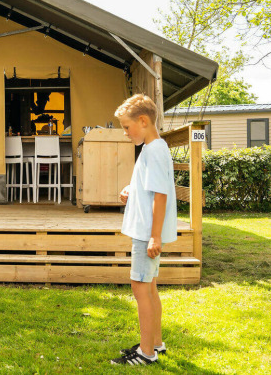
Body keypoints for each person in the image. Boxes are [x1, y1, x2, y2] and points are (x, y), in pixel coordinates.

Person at [111, 94, 177, 366]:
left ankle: (146, 353)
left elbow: (161, 195)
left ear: (143, 121)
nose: (125, 133)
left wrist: (154, 235)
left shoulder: (154, 151)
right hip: (145, 231)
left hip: (145, 234)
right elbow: (150, 188)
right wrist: (132, 189)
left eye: (127, 127)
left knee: (140, 289)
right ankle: (156, 344)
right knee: (149, 288)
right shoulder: (152, 149)